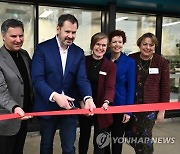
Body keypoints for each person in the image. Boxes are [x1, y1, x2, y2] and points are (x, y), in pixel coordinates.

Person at [31, 14, 96, 154]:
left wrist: (88, 98)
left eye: (74, 32)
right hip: (47, 106)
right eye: (67, 31)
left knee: (69, 148)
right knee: (46, 145)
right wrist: (55, 96)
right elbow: (37, 79)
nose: (71, 36)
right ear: (58, 29)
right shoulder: (42, 49)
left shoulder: (78, 52)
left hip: (70, 108)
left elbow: (82, 79)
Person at [127, 32, 170, 154]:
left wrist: (162, 110)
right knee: (131, 135)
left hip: (150, 108)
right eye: (145, 44)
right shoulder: (131, 58)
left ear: (154, 46)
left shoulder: (162, 62)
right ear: (139, 45)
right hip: (132, 105)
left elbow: (165, 87)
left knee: (145, 138)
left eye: (151, 45)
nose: (148, 47)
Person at [78, 32, 116, 154]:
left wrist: (107, 102)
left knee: (100, 141)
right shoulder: (84, 61)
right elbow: (78, 82)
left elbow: (110, 87)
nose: (100, 48)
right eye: (98, 44)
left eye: (104, 45)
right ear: (92, 45)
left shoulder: (110, 66)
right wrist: (81, 101)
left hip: (101, 107)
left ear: (107, 47)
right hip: (85, 105)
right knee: (84, 136)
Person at [0, 19, 33, 154]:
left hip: (23, 117)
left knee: (18, 150)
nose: (18, 40)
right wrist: (14, 107)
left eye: (21, 35)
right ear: (3, 36)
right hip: (7, 120)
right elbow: (1, 90)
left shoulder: (24, 54)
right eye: (13, 36)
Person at [106, 30, 136, 154]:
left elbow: (131, 87)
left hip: (120, 105)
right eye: (114, 42)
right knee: (103, 138)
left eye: (120, 42)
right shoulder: (104, 58)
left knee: (117, 139)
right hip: (105, 105)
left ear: (123, 44)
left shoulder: (129, 62)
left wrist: (128, 111)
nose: (117, 45)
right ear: (109, 44)